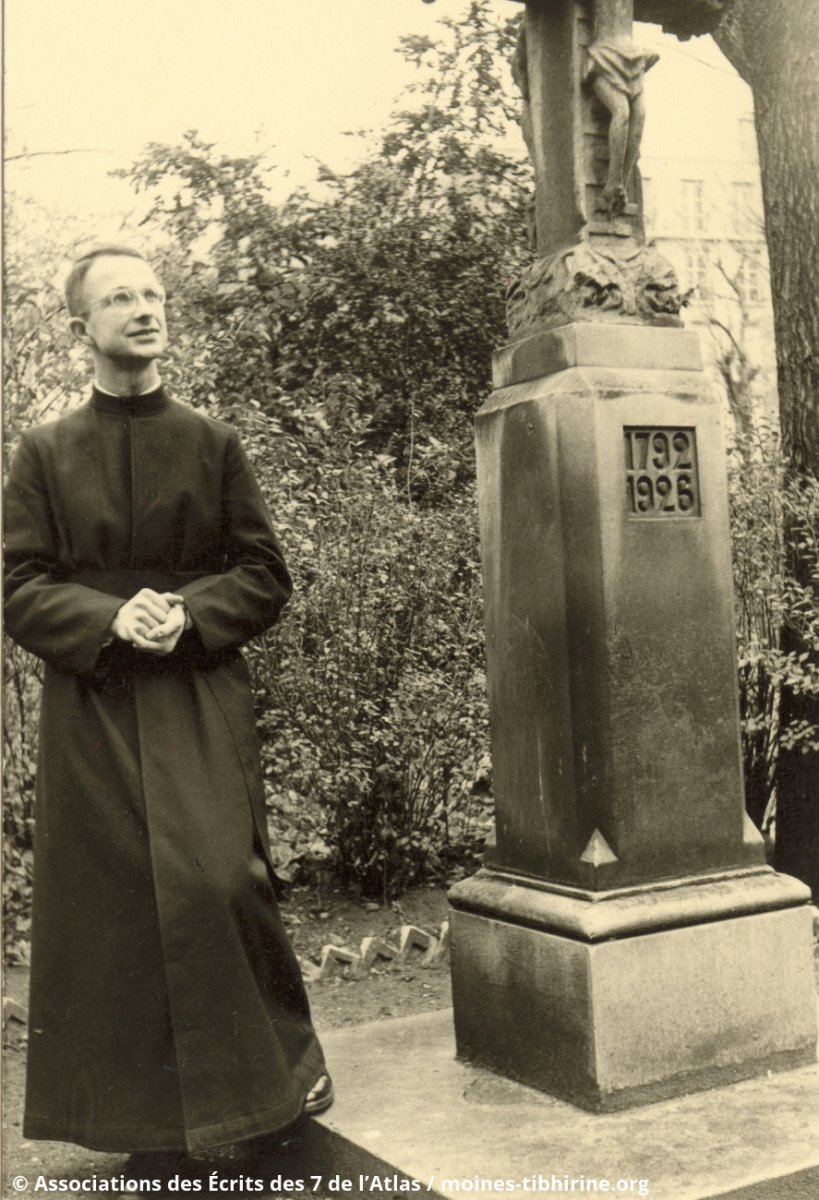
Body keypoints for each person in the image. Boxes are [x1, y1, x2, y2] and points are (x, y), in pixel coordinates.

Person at [3, 245, 333, 1167]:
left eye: (153, 293)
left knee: (221, 878)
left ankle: (274, 1084)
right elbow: (18, 585)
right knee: (116, 903)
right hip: (96, 700)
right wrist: (114, 616)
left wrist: (186, 612)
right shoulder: (44, 452)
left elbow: (265, 575)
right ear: (84, 328)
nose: (145, 309)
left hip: (196, 691)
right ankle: (142, 1124)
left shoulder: (211, 442)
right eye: (120, 298)